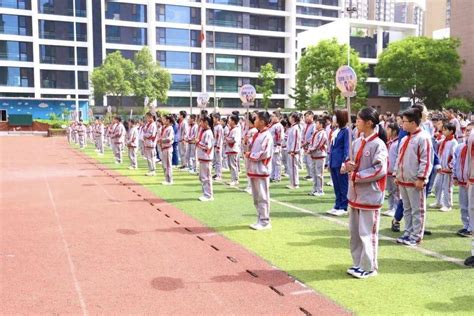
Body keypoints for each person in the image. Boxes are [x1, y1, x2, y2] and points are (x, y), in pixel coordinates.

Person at [344, 107, 388, 279]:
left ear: (369, 122)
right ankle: (358, 263)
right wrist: (347, 167)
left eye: (359, 120)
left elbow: (380, 169)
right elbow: (350, 162)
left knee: (366, 233)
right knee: (354, 233)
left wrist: (357, 175)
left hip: (370, 194)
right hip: (355, 194)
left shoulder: (378, 145)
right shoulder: (357, 142)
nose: (356, 123)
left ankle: (369, 266)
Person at [394, 107, 433, 247]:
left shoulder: (423, 138)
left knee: (418, 209)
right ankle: (408, 231)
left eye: (404, 121)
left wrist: (422, 178)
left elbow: (426, 160)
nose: (402, 124)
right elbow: (399, 158)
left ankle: (416, 235)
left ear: (413, 123)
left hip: (415, 180)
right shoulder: (405, 139)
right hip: (404, 180)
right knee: (407, 208)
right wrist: (396, 173)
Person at [245, 111, 274, 230]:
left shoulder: (267, 136)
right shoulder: (258, 134)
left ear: (262, 121)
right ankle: (260, 218)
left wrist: (250, 155)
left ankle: (265, 221)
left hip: (261, 170)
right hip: (254, 169)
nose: (254, 121)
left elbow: (265, 153)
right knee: (256, 197)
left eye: (256, 119)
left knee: (262, 196)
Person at [326, 110, 350, 217]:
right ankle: (337, 204)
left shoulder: (346, 131)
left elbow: (347, 147)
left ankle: (343, 206)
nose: (334, 119)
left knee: (343, 185)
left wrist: (345, 161)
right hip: (333, 161)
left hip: (340, 161)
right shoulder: (337, 130)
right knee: (336, 185)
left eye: (336, 117)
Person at [430, 122, 457, 212]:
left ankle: (448, 204)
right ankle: (438, 202)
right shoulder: (444, 140)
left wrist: (450, 167)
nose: (443, 131)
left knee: (447, 187)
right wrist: (434, 136)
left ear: (451, 131)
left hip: (447, 169)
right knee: (437, 186)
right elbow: (434, 144)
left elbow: (454, 156)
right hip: (441, 168)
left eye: (445, 130)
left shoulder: (453, 142)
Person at [453, 122, 473, 237]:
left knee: (472, 206)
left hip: (471, 181)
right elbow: (455, 163)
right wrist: (455, 176)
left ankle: (471, 228)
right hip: (461, 181)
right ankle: (466, 225)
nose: (468, 132)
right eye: (467, 130)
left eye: (471, 130)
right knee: (463, 205)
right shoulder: (459, 147)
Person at [382, 123, 400, 217]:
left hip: (394, 171)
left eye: (388, 130)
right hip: (388, 171)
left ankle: (395, 208)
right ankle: (390, 207)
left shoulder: (397, 143)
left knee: (396, 191)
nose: (387, 132)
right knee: (390, 190)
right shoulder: (390, 143)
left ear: (394, 131)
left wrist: (396, 171)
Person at [196, 115, 215, 202]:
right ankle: (205, 193)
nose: (200, 123)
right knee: (202, 177)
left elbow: (208, 146)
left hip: (206, 158)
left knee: (206, 177)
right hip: (202, 157)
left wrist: (198, 142)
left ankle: (208, 195)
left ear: (206, 122)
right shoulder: (203, 131)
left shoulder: (208, 132)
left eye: (202, 122)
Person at [307, 118, 328, 196]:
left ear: (321, 125)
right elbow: (311, 142)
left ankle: (320, 190)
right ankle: (315, 189)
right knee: (314, 173)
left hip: (320, 155)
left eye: (317, 123)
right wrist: (309, 149)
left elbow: (319, 144)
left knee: (319, 174)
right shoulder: (316, 132)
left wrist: (311, 150)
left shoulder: (322, 133)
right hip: (314, 155)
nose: (316, 124)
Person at [286, 112, 302, 189]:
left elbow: (296, 140)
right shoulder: (292, 128)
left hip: (293, 152)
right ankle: (292, 182)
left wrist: (293, 150)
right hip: (290, 151)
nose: (289, 118)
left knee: (293, 167)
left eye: (290, 117)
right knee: (291, 167)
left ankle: (295, 183)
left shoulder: (295, 128)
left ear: (293, 118)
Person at [243, 113, 258, 194]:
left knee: (251, 169)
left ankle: (251, 186)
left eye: (247, 120)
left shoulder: (254, 131)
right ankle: (249, 185)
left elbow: (252, 143)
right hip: (246, 152)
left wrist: (247, 140)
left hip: (251, 152)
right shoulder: (248, 129)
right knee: (247, 169)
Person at [225, 115, 241, 186]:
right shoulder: (231, 129)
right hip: (230, 149)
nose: (229, 121)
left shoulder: (236, 130)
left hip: (233, 149)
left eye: (230, 120)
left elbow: (234, 140)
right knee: (230, 165)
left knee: (233, 165)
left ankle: (235, 179)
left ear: (234, 121)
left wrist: (227, 139)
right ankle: (233, 179)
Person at [159, 115, 175, 185]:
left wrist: (161, 140)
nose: (163, 121)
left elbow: (169, 139)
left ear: (168, 120)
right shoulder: (164, 127)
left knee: (168, 165)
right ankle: (166, 179)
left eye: (164, 119)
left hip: (167, 148)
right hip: (163, 148)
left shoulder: (170, 128)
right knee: (164, 165)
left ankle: (169, 180)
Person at [269, 111, 284, 183]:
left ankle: (277, 176)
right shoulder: (272, 125)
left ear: (278, 117)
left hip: (276, 145)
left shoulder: (278, 126)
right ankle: (272, 175)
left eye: (273, 116)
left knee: (277, 162)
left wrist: (278, 145)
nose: (272, 117)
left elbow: (280, 136)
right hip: (271, 145)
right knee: (272, 162)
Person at [302, 111, 316, 180]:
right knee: (306, 161)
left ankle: (312, 175)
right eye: (305, 116)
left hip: (310, 146)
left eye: (307, 116)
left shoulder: (314, 125)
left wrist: (307, 142)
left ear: (312, 116)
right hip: (305, 146)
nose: (306, 118)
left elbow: (313, 136)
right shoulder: (305, 125)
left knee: (310, 162)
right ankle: (309, 174)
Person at [212, 113, 223, 181]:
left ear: (217, 119)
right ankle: (216, 173)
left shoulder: (219, 127)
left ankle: (219, 175)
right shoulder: (215, 126)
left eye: (214, 118)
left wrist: (218, 146)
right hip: (214, 145)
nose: (213, 119)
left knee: (218, 161)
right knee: (215, 161)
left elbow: (220, 138)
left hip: (217, 146)